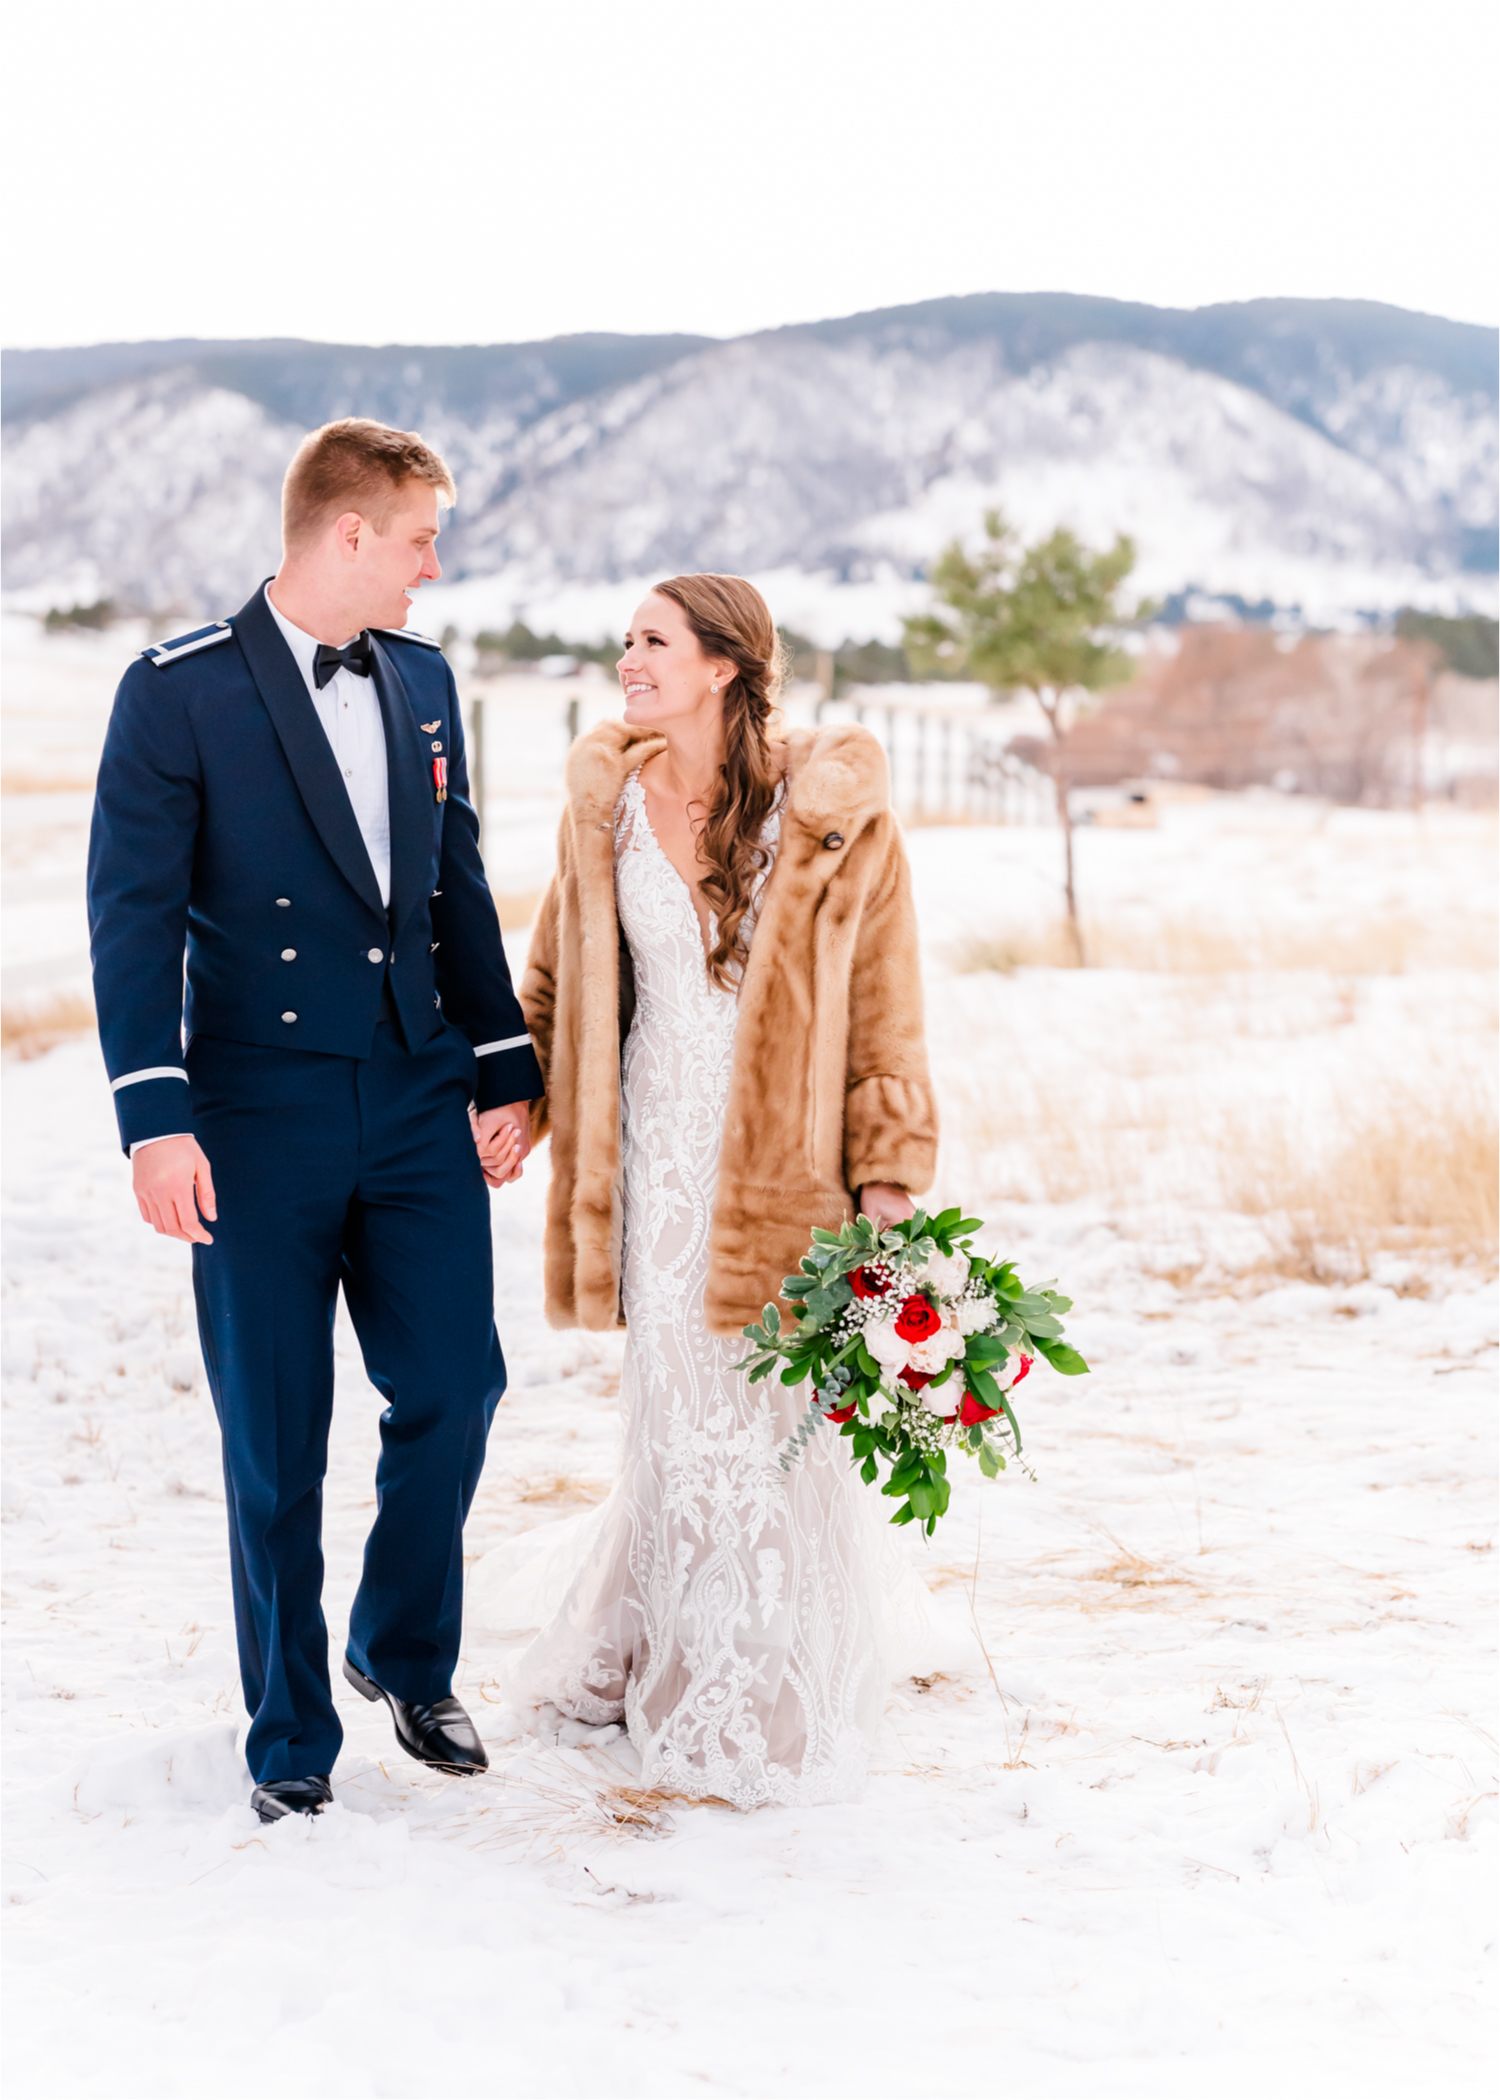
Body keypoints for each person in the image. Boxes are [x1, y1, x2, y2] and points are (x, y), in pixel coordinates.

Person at [87, 418, 542, 1823]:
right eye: (418, 540)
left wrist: (502, 1060)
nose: (433, 566)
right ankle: (290, 1728)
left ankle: (399, 1652)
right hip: (255, 1117)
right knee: (277, 1439)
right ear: (348, 533)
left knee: (456, 1389)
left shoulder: (418, 678)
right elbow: (132, 915)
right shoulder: (178, 692)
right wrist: (153, 1115)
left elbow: (454, 882)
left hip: (414, 1100)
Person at [471, 573, 944, 1807]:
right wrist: (521, 1097)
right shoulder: (608, 804)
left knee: (772, 1422)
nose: (627, 658)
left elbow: (889, 1017)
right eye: (626, 638)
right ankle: (662, 1647)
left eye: (654, 640)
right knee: (681, 1414)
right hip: (656, 1151)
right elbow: (555, 976)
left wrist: (889, 1178)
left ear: (724, 665)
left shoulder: (833, 815)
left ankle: (762, 1684)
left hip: (783, 1160)